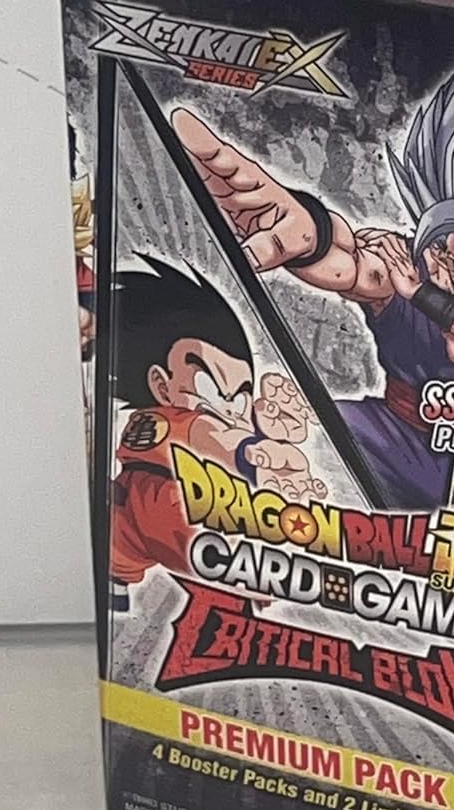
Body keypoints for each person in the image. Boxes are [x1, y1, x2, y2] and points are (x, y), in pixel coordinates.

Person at [173, 52, 454, 508]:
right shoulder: (405, 263)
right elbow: (351, 266)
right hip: (392, 438)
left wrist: (420, 294)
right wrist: (310, 235)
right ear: (438, 237)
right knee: (274, 439)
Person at [109, 256, 322, 611]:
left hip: (133, 541)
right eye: (211, 389)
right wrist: (253, 454)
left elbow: (232, 435)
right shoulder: (171, 421)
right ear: (161, 384)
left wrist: (272, 428)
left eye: (240, 396)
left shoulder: (205, 427)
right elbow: (212, 437)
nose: (232, 409)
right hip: (158, 513)